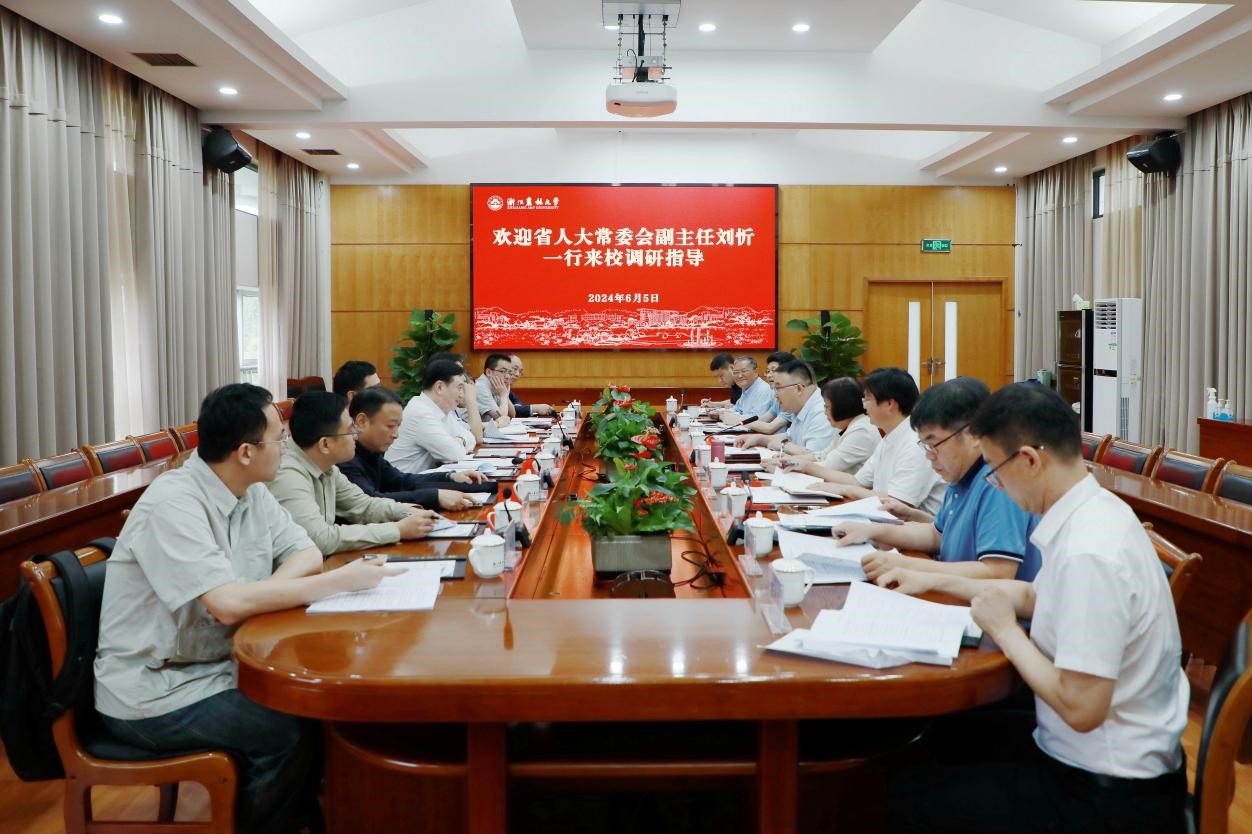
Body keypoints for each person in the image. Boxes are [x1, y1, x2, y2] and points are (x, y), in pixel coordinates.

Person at [94, 384, 403, 834]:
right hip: (155, 689)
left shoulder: (251, 490)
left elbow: (305, 552)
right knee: (283, 729)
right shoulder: (174, 503)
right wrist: (335, 584)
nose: (286, 446)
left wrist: (259, 593)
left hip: (218, 663)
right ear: (245, 452)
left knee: (319, 711)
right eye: (279, 438)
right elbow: (226, 605)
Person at [882, 383, 1188, 834]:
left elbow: (1082, 709)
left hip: (1107, 790)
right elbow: (1035, 596)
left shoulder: (1090, 552)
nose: (996, 485)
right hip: (1089, 754)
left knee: (903, 795)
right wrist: (935, 579)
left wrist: (1006, 630)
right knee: (932, 736)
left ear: (1028, 460)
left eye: (994, 471)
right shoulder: (1091, 511)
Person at [832, 377, 1042, 581]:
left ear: (973, 434)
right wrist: (871, 530)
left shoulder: (998, 482)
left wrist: (903, 564)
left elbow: (997, 572)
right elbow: (936, 535)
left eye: (934, 444)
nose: (929, 456)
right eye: (924, 445)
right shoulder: (962, 475)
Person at [268, 391, 438, 557]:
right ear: (325, 444)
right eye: (350, 430)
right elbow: (320, 539)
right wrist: (397, 530)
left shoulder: (327, 466)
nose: (356, 436)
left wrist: (408, 511)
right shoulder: (287, 475)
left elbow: (363, 505)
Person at [806, 367, 946, 515]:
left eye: (867, 399)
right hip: (884, 518)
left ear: (890, 404)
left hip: (907, 525)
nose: (863, 406)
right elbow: (858, 482)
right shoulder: (890, 437)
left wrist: (843, 489)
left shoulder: (915, 443)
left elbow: (897, 504)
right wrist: (807, 468)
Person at [340, 386, 497, 511]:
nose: (396, 435)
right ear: (362, 421)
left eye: (398, 426)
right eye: (390, 426)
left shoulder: (371, 452)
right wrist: (435, 497)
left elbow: (401, 481)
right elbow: (372, 502)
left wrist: (449, 477)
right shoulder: (346, 458)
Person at [767, 377, 880, 477]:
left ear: (842, 406)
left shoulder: (861, 431)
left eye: (827, 406)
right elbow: (823, 455)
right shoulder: (845, 425)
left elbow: (828, 466)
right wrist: (789, 460)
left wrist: (786, 467)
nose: (825, 412)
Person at [386, 359, 480, 473]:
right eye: (459, 388)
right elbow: (455, 455)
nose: (462, 395)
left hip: (422, 479)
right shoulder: (420, 412)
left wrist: (459, 440)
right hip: (403, 482)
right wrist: (457, 442)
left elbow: (470, 437)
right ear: (440, 387)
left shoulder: (440, 408)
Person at [736, 359, 833, 454]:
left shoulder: (822, 412)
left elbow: (813, 457)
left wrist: (783, 445)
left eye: (778, 387)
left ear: (798, 389)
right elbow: (790, 437)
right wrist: (759, 439)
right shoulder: (800, 405)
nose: (775, 395)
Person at [741, 350, 796, 435]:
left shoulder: (793, 397)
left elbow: (770, 428)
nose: (769, 375)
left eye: (773, 370)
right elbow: (762, 420)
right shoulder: (778, 398)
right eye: (768, 371)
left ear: (789, 372)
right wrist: (741, 423)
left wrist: (738, 421)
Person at [716, 356, 776, 425]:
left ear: (755, 372)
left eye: (744, 371)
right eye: (736, 372)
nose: (739, 376)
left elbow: (756, 419)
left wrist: (726, 417)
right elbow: (737, 409)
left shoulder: (764, 390)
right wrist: (720, 413)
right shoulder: (747, 388)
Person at [475, 353, 514, 425]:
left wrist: (505, 395)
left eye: (509, 372)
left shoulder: (496, 387)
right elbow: (502, 419)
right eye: (502, 371)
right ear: (489, 372)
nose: (508, 376)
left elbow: (512, 416)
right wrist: (503, 396)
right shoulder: (480, 387)